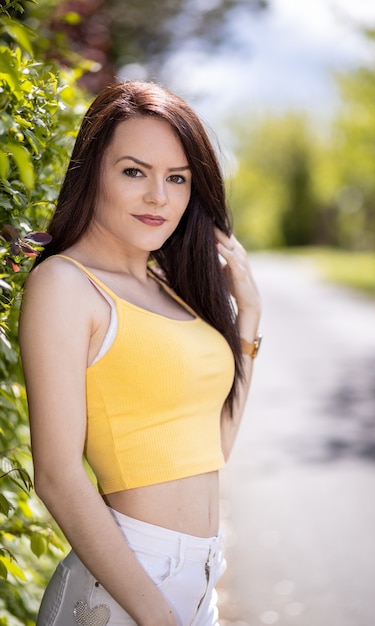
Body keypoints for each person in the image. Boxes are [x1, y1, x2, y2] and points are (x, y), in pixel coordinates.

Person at [19, 80, 261, 626]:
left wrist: (249, 320)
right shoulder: (65, 285)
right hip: (124, 589)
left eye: (177, 178)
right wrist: (158, 616)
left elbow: (213, 446)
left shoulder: (169, 285)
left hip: (198, 584)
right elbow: (56, 474)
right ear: (93, 173)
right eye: (135, 171)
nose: (159, 196)